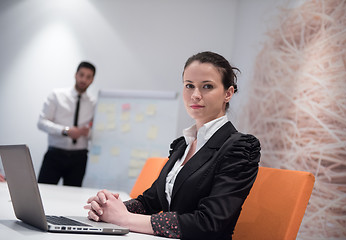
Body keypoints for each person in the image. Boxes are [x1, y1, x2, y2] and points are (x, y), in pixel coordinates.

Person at [84, 52, 261, 239]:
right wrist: (109, 208)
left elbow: (210, 223)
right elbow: (150, 202)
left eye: (207, 86)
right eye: (189, 86)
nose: (195, 95)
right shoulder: (183, 145)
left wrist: (124, 219)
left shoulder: (240, 147)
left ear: (228, 93)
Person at [37, 61, 96, 187]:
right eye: (81, 75)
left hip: (79, 158)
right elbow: (41, 122)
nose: (83, 79)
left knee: (73, 198)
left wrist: (88, 133)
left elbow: (98, 132)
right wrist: (65, 131)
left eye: (88, 77)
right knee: (43, 192)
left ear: (92, 80)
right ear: (75, 75)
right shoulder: (57, 96)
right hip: (55, 155)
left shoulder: (94, 103)